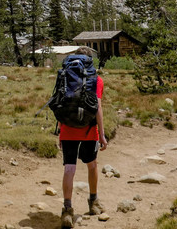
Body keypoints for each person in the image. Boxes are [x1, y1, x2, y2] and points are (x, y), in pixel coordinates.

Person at [58, 46, 108, 228]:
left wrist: (60, 131)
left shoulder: (65, 77)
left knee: (69, 169)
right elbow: (98, 109)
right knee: (92, 165)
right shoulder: (97, 80)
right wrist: (101, 134)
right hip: (89, 130)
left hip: (67, 129)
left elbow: (61, 104)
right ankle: (93, 203)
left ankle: (67, 210)